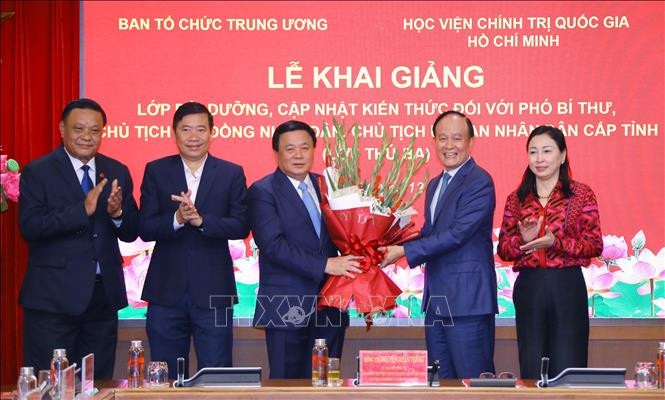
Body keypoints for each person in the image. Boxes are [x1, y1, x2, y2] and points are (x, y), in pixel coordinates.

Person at [19, 98, 139, 378]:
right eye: (79, 129)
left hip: (102, 299)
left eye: (95, 130)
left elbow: (132, 230)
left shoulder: (116, 170)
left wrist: (118, 213)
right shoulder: (38, 171)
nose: (87, 136)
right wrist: (81, 210)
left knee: (97, 383)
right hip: (53, 301)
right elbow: (30, 226)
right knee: (52, 385)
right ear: (62, 129)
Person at [381, 110, 497, 379]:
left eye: (457, 138)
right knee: (442, 384)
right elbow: (432, 233)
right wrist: (390, 240)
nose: (449, 145)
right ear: (434, 142)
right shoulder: (435, 184)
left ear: (471, 142)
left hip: (467, 302)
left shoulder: (479, 181)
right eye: (442, 138)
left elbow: (457, 234)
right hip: (437, 302)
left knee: (472, 384)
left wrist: (403, 251)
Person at [138, 101, 249, 378]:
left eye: (201, 129)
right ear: (174, 132)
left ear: (212, 132)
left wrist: (202, 221)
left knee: (216, 375)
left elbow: (241, 225)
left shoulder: (230, 172)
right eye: (186, 129)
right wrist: (177, 219)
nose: (193, 137)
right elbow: (145, 227)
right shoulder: (156, 170)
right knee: (165, 377)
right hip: (165, 291)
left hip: (215, 291)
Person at [247, 120, 362, 379]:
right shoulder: (262, 191)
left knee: (326, 380)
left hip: (330, 302)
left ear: (313, 150)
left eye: (304, 147)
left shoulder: (329, 187)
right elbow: (273, 245)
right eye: (290, 149)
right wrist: (326, 264)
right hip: (285, 304)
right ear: (277, 153)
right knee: (287, 384)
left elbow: (347, 234)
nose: (298, 155)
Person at [497, 125, 602, 379]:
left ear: (562, 155)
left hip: (567, 285)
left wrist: (556, 243)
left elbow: (594, 244)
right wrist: (523, 241)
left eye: (547, 151)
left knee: (569, 364)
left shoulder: (581, 194)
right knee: (532, 366)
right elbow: (503, 250)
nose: (539, 159)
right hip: (530, 287)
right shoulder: (517, 199)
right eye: (533, 152)